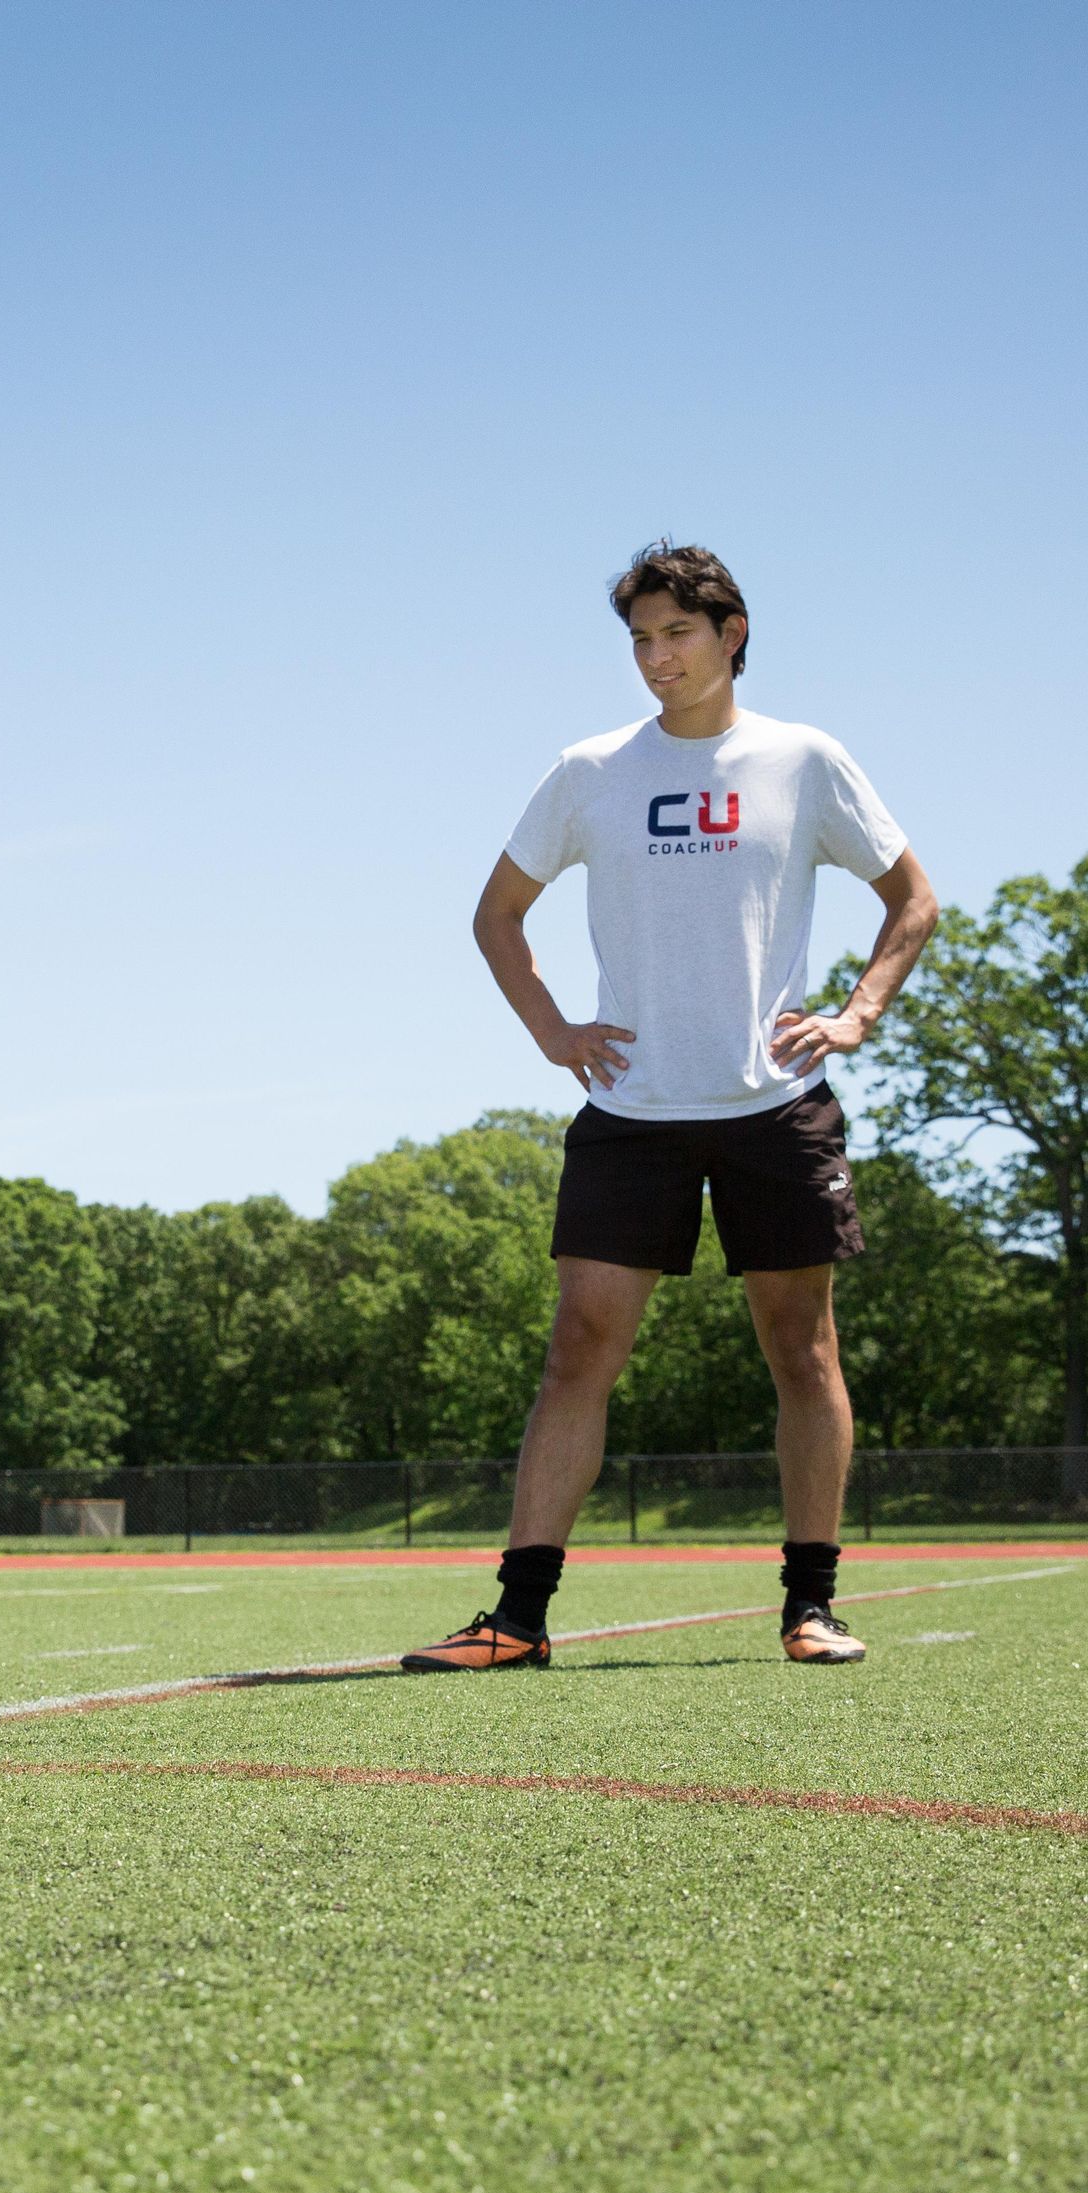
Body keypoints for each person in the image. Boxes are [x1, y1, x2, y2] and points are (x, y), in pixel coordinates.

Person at [402, 542, 938, 1674]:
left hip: (774, 1105)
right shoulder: (589, 769)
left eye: (675, 633)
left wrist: (854, 1015)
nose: (655, 658)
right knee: (575, 1352)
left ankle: (811, 1604)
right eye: (639, 638)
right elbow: (496, 915)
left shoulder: (804, 758)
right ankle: (516, 1617)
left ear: (729, 631)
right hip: (630, 1111)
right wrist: (553, 1032)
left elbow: (912, 900)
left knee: (801, 1351)